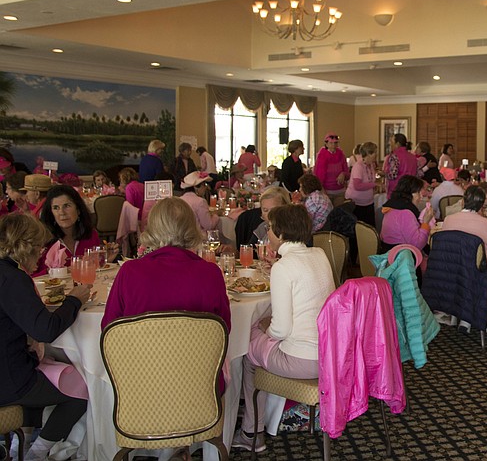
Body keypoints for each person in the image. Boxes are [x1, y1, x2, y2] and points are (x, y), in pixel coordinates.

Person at [232, 204, 335, 452]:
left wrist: (265, 331)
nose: (267, 232)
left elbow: (281, 331)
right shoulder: (319, 253)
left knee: (246, 346)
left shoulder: (283, 267)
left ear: (280, 232)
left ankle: (251, 432)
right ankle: (263, 419)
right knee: (258, 332)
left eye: (269, 228)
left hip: (301, 360)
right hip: (329, 354)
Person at [0, 213, 91, 461]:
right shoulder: (13, 279)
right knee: (80, 391)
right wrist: (74, 300)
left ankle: (20, 447)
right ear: (26, 246)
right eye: (39, 246)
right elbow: (46, 330)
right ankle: (36, 455)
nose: (41, 252)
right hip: (9, 381)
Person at [101, 196, 231, 332]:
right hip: (197, 353)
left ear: (152, 228)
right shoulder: (210, 273)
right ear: (192, 228)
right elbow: (223, 328)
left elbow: (109, 328)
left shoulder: (130, 271)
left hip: (140, 352)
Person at [441, 186, 487, 339]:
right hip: (478, 278)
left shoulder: (448, 220)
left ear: (462, 202)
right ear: (482, 206)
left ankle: (466, 319)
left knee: (473, 275)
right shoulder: (485, 224)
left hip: (453, 278)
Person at [35, 185, 101, 277]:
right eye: (56, 208)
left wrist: (105, 261)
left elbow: (95, 269)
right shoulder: (42, 241)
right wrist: (53, 272)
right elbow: (30, 278)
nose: (62, 212)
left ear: (78, 210)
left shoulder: (91, 235)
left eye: (67, 206)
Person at [380, 175, 433, 252]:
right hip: (399, 257)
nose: (421, 197)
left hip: (389, 250)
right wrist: (426, 223)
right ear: (410, 193)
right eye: (418, 193)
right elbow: (418, 245)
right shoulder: (405, 213)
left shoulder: (394, 206)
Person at [345, 141, 379, 226]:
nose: (376, 155)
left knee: (370, 228)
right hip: (357, 204)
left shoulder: (370, 165)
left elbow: (370, 180)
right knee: (359, 230)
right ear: (369, 154)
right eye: (375, 152)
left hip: (368, 203)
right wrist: (374, 185)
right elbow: (357, 186)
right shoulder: (358, 166)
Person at [314, 133, 349, 204]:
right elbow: (318, 176)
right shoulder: (322, 156)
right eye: (331, 143)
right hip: (326, 192)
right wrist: (322, 191)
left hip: (340, 191)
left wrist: (343, 174)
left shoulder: (341, 155)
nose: (333, 145)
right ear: (326, 144)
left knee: (339, 213)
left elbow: (347, 172)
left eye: (335, 143)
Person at [382, 133, 418, 199]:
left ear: (397, 144)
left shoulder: (394, 156)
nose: (390, 144)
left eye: (392, 142)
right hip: (409, 190)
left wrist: (383, 174)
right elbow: (417, 173)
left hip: (396, 191)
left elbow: (392, 175)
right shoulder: (413, 157)